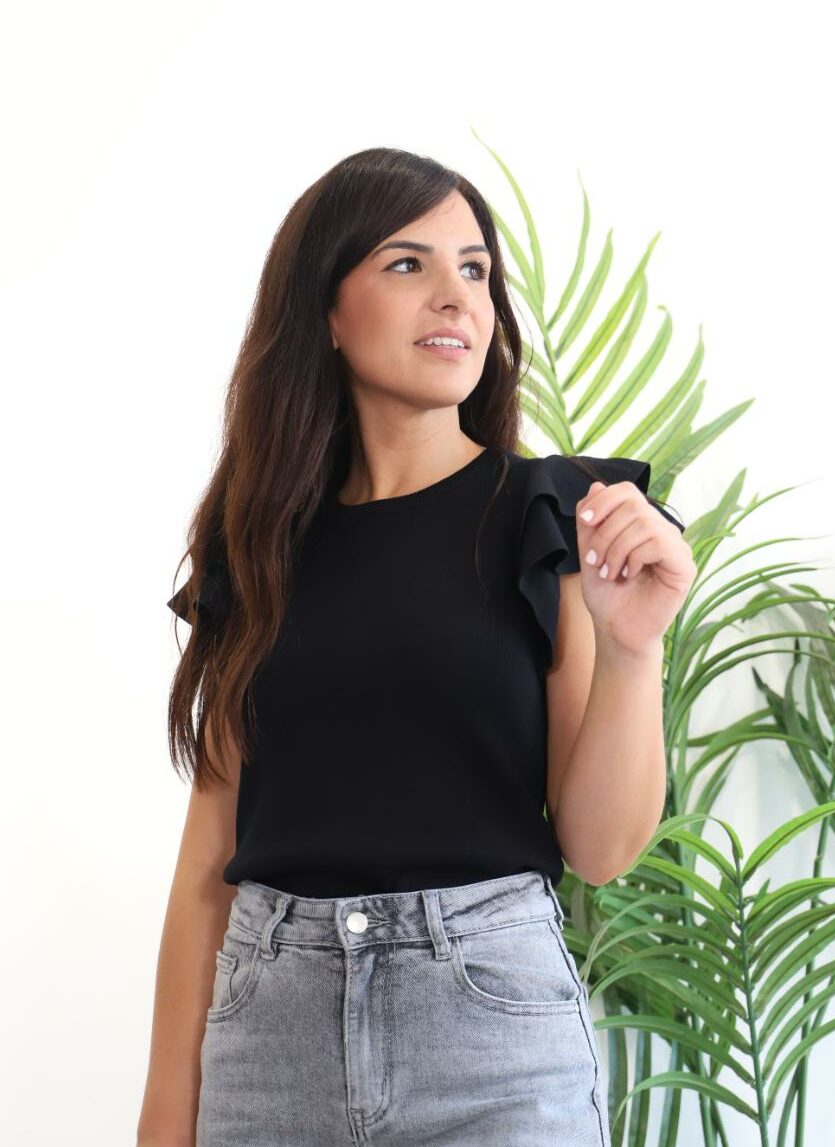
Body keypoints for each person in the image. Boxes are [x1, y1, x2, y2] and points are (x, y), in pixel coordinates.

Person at [136, 147, 695, 1147]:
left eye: (474, 268)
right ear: (325, 310)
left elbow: (601, 849)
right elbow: (207, 862)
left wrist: (632, 651)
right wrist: (162, 1123)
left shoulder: (548, 517)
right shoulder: (256, 544)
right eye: (408, 264)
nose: (456, 296)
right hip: (268, 1045)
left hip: (491, 1042)